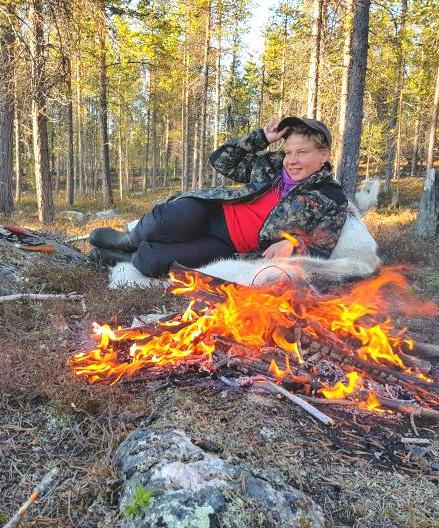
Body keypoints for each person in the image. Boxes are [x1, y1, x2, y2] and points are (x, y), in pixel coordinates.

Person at [89, 116, 348, 277]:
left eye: (301, 152)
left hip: (230, 246)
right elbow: (222, 161)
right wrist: (261, 138)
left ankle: (122, 258)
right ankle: (127, 239)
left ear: (323, 154)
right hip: (212, 212)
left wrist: (292, 245)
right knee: (164, 220)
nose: (291, 160)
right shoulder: (271, 164)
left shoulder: (331, 197)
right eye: (289, 151)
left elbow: (321, 249)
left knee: (155, 263)